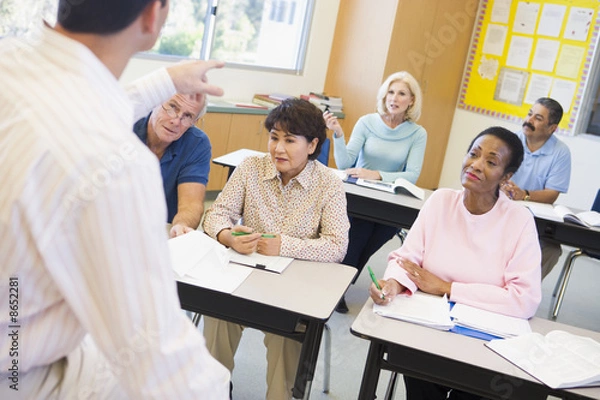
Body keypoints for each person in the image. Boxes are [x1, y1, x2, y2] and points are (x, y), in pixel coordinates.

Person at [0, 1, 231, 399]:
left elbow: (75, 101)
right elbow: (155, 356)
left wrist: (164, 82)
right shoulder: (115, 163)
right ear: (153, 15)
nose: (177, 120)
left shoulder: (13, 60)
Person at [369, 126, 542, 400]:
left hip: (484, 343)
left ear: (506, 176)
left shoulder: (519, 220)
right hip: (427, 330)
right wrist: (391, 283)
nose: (476, 165)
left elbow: (524, 299)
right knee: (418, 377)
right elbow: (406, 259)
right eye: (473, 154)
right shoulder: (440, 201)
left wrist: (447, 287)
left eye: (491, 161)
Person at [202, 98, 350, 400]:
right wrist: (228, 236)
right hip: (242, 278)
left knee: (288, 341)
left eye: (289, 140)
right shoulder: (250, 168)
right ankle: (214, 390)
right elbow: (215, 215)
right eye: (274, 138)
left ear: (312, 145)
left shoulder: (329, 184)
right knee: (217, 315)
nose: (278, 149)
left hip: (293, 288)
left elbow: (337, 246)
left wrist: (284, 245)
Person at [323, 71, 427, 313]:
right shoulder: (367, 122)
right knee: (355, 242)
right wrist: (338, 134)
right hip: (360, 197)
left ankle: (341, 285)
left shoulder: (417, 133)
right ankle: (335, 290)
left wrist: (377, 175)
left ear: (411, 100)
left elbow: (412, 174)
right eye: (391, 92)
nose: (394, 98)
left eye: (401, 93)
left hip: (390, 202)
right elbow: (345, 163)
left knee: (369, 246)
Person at [500, 97, 571, 279]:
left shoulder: (561, 152)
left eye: (538, 118)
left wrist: (524, 195)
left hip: (534, 220)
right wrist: (501, 184)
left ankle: (520, 292)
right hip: (502, 211)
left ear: (552, 128)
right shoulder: (510, 141)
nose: (529, 120)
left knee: (552, 250)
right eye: (530, 114)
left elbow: (552, 194)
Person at [133, 93, 210, 238]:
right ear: (154, 102)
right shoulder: (126, 126)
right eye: (172, 107)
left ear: (195, 121)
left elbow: (191, 205)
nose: (176, 121)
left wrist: (182, 225)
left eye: (187, 116)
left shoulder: (196, 144)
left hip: (159, 233)